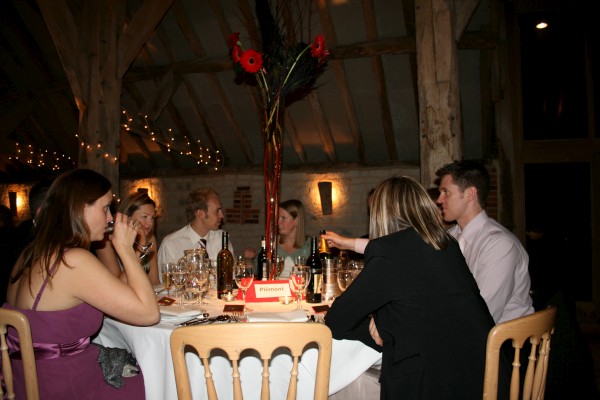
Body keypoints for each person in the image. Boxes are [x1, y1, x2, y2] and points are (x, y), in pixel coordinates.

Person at [325, 176, 500, 399]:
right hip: (484, 374)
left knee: (354, 383)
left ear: (381, 213)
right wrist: (382, 320)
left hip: (432, 384)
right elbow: (429, 306)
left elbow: (336, 320)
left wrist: (381, 324)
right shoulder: (446, 244)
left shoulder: (388, 250)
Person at [3, 168, 159, 399]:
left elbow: (115, 289)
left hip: (27, 382)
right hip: (64, 386)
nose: (110, 218)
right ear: (80, 208)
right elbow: (149, 314)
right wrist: (125, 249)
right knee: (155, 378)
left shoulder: (31, 254)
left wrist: (133, 253)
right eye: (105, 208)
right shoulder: (73, 260)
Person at [435, 160, 534, 323]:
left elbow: (481, 314)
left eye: (446, 192)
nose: (439, 200)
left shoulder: (500, 245)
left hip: (504, 336)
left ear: (470, 194)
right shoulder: (450, 236)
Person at [95, 192, 160, 285]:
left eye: (152, 218)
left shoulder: (150, 238)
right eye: (145, 217)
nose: (150, 223)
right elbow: (118, 285)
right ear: (127, 217)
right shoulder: (105, 241)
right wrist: (140, 247)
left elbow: (154, 281)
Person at [158, 188, 235, 265]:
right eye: (217, 211)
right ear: (200, 214)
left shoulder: (221, 240)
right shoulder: (171, 244)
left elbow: (231, 271)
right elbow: (164, 272)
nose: (221, 215)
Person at [276, 199, 310, 278]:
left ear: (296, 220)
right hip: (275, 285)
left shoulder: (310, 245)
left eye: (283, 218)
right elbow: (257, 270)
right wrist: (249, 259)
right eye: (278, 218)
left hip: (300, 285)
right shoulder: (272, 243)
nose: (278, 222)